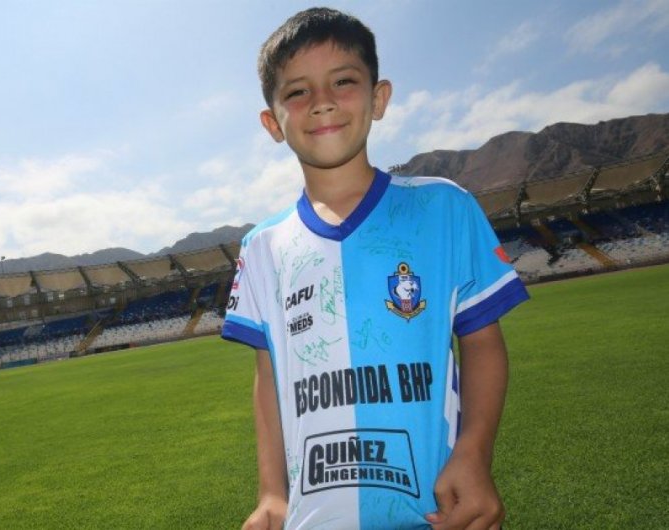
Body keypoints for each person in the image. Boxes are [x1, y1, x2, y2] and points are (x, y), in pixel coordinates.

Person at [221, 7, 529, 530]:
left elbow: (481, 341)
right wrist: (272, 493)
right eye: (297, 91)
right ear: (273, 122)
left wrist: (474, 454)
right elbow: (269, 376)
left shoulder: (444, 208)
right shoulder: (263, 247)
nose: (321, 102)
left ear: (378, 97)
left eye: (343, 81)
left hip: (436, 512)